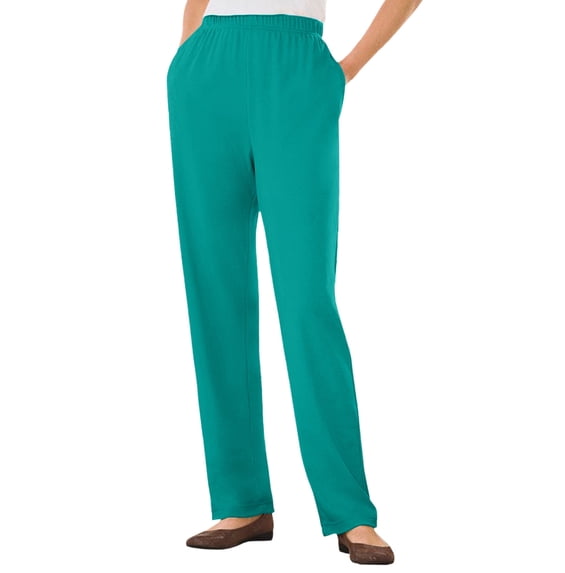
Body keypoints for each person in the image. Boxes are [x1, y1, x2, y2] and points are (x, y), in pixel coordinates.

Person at [166, 0, 423, 565]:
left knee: (308, 300)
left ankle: (350, 510)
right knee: (215, 294)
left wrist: (345, 68)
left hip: (298, 69)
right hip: (206, 72)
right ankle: (240, 501)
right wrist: (188, 49)